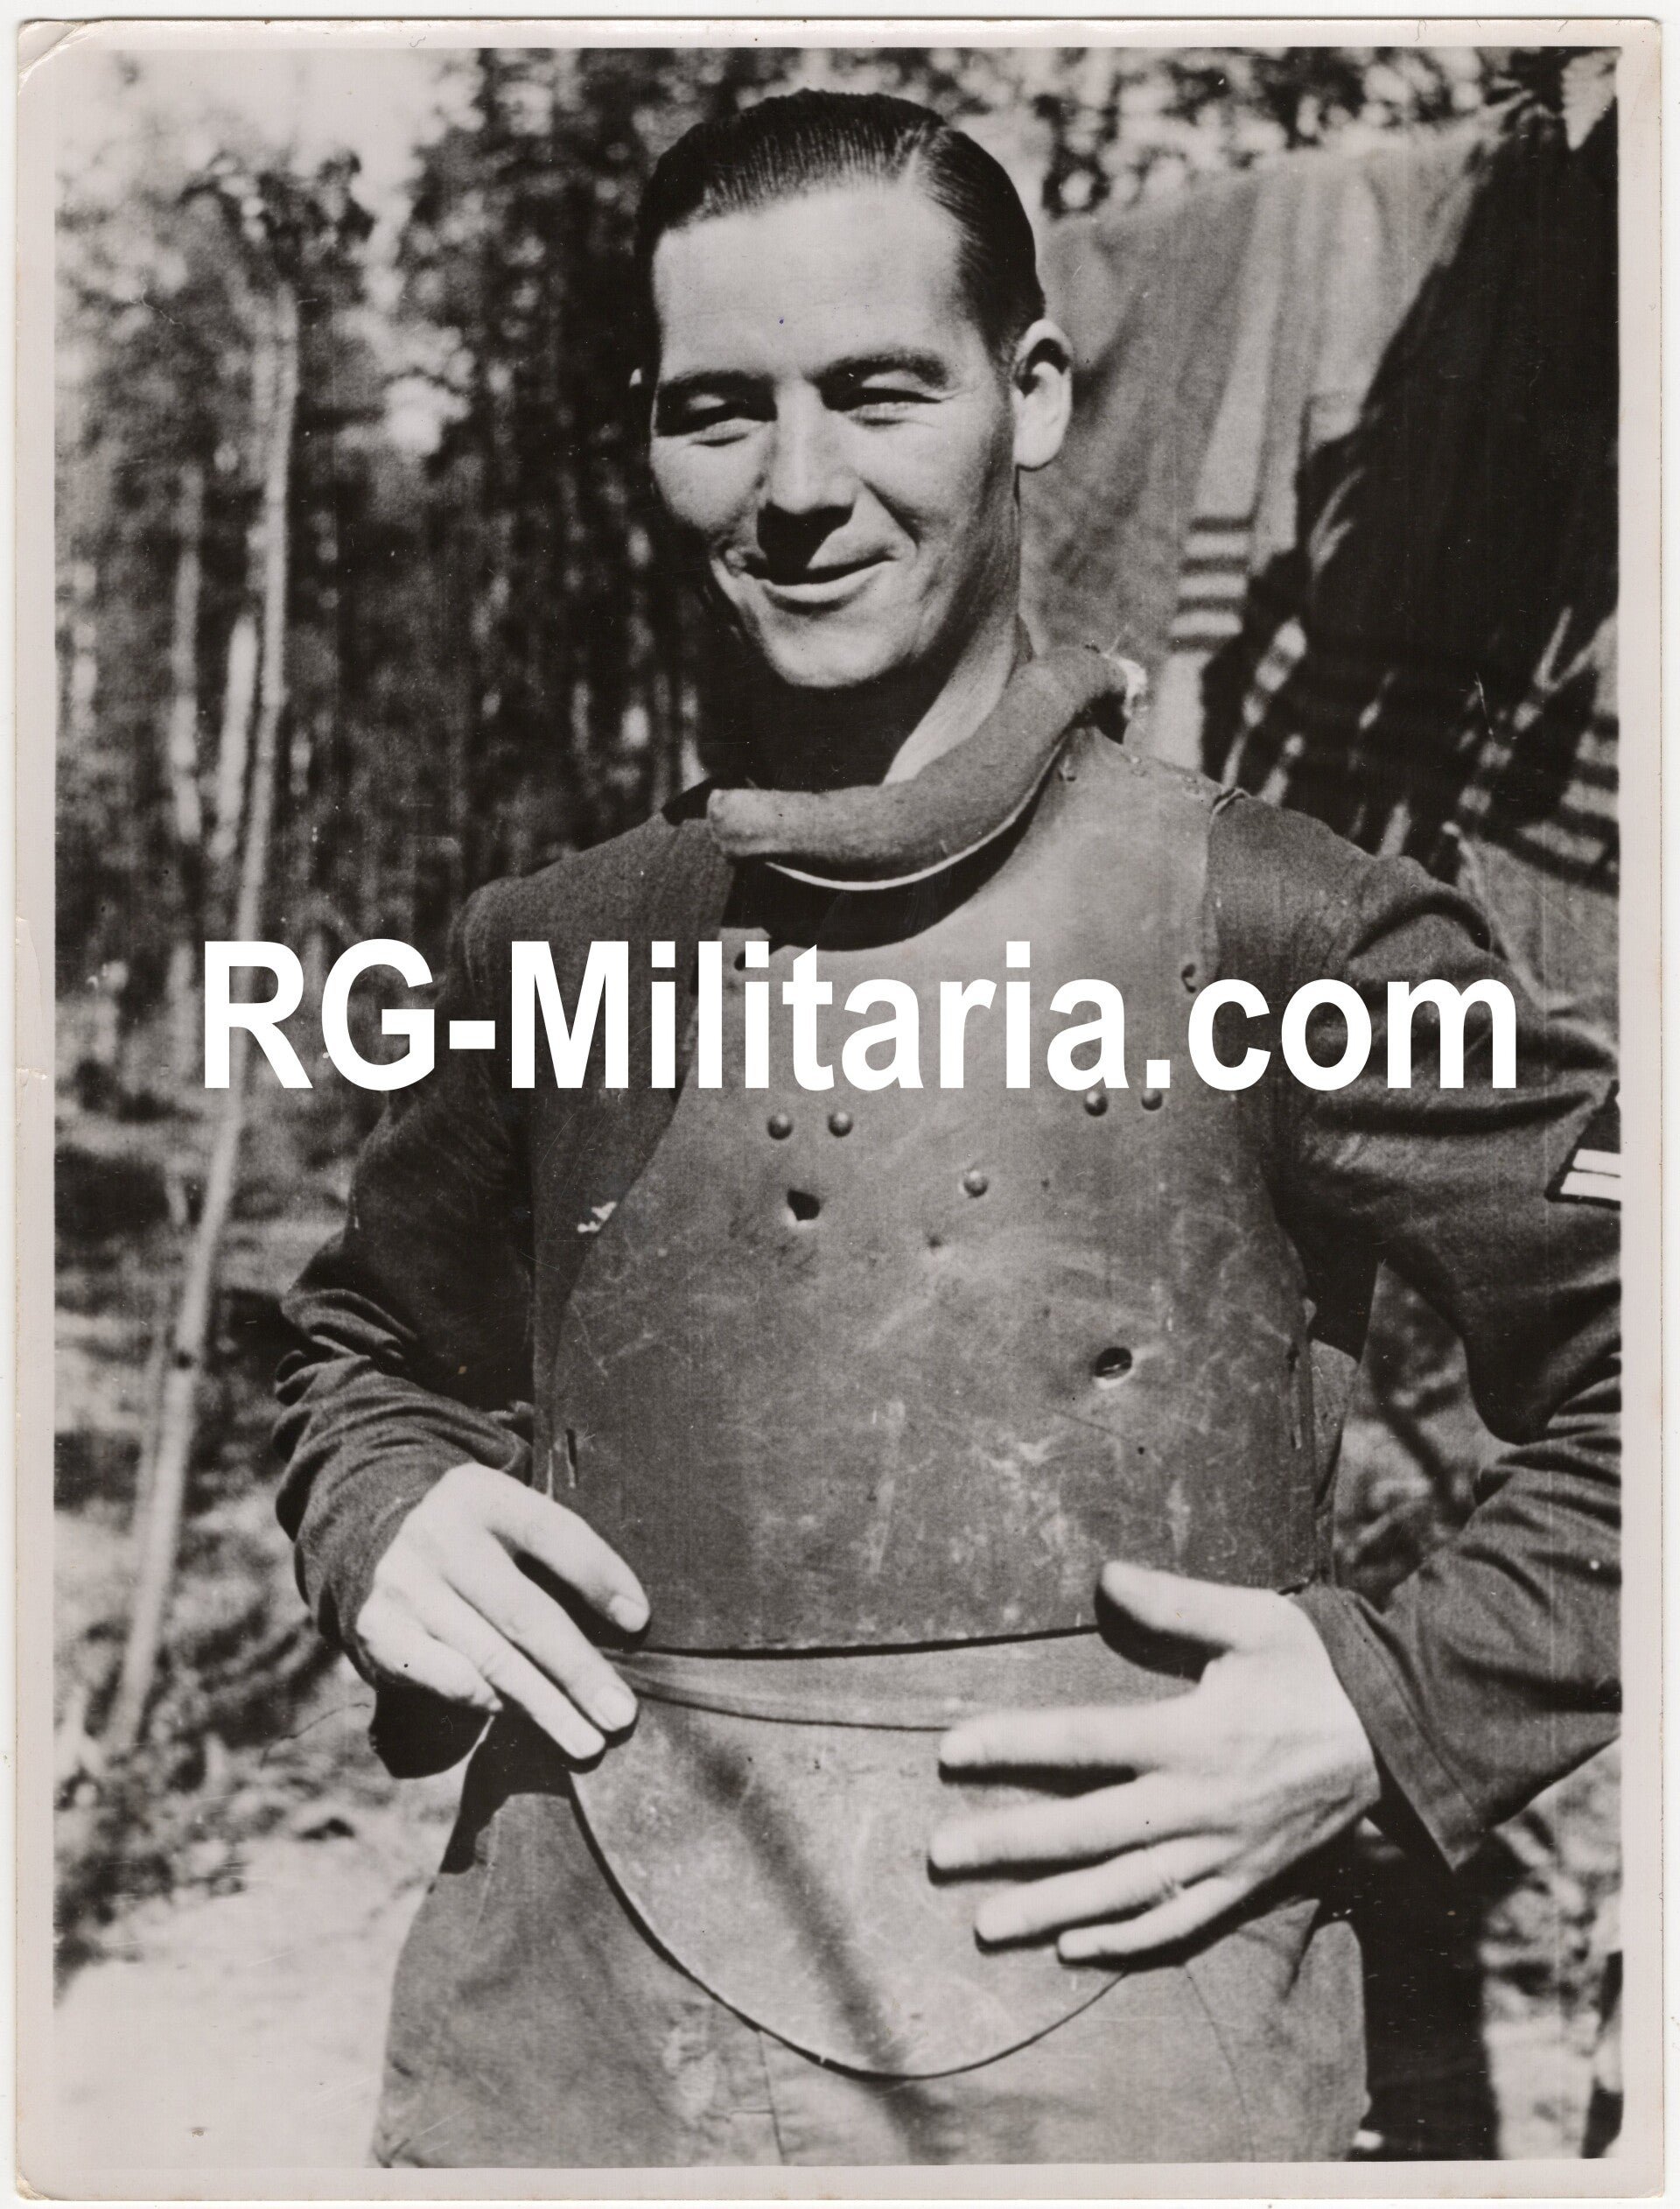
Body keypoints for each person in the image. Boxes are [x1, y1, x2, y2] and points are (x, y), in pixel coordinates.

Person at [275, 90, 1620, 2168]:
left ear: (1036, 392)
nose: (796, 487)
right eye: (718, 411)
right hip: (580, 2046)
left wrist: (1395, 1701)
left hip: (1125, 2027)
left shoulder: (1281, 921)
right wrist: (379, 1512)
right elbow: (359, 1347)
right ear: (647, 433)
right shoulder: (554, 943)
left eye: (879, 391)